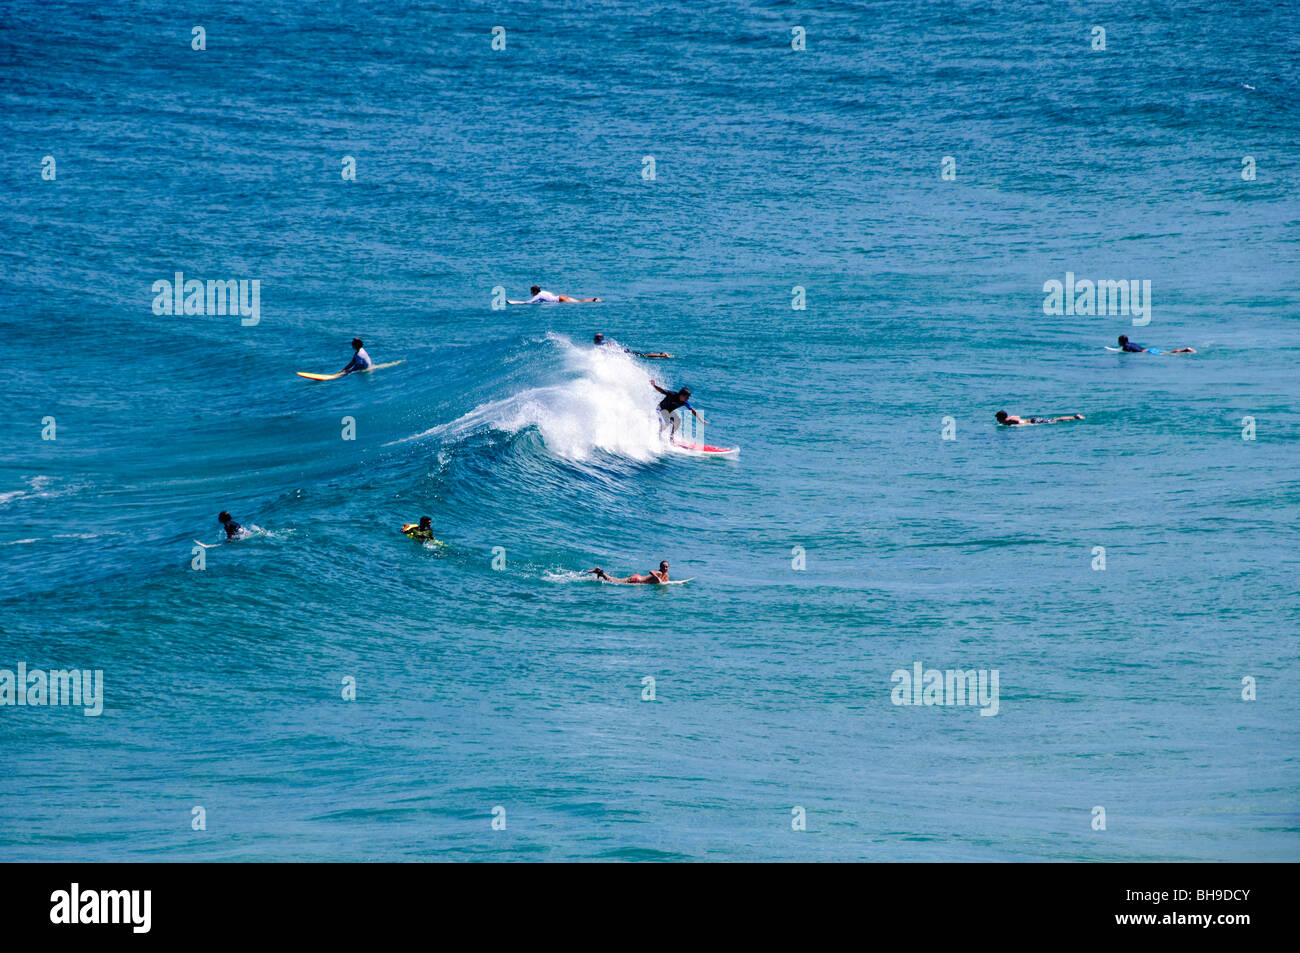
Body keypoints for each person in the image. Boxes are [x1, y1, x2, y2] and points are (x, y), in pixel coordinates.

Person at [594, 333, 671, 359]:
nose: (593, 339)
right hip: (624, 351)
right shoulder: (602, 342)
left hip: (624, 352)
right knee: (643, 355)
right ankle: (661, 355)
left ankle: (663, 355)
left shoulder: (601, 343)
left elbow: (608, 344)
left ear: (597, 339)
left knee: (644, 356)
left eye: (595, 338)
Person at [587, 561, 671, 584]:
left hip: (638, 578)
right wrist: (657, 578)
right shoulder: (659, 573)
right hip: (636, 580)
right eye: (663, 566)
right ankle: (600, 571)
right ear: (660, 567)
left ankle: (599, 572)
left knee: (615, 580)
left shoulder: (666, 575)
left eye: (666, 566)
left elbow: (667, 583)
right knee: (613, 581)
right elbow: (651, 571)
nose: (665, 568)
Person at [510, 285, 600, 303]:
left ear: (534, 292)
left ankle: (594, 300)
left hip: (560, 299)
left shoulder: (538, 296)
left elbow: (529, 302)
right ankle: (594, 299)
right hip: (561, 296)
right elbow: (551, 296)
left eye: (531, 291)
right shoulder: (543, 292)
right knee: (579, 301)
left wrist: (519, 303)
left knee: (578, 302)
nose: (531, 293)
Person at [1116, 335, 1194, 355]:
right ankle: (1185, 350)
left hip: (1148, 352)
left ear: (1121, 341)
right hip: (1150, 349)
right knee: (1168, 352)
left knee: (1169, 354)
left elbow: (1125, 351)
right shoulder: (1131, 343)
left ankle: (1186, 350)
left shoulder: (1125, 347)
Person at [995, 410, 1084, 426]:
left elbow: (1018, 421)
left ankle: (1075, 417)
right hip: (1032, 419)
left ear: (1001, 417)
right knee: (1054, 419)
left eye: (997, 418)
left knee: (1055, 420)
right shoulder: (1009, 418)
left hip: (1033, 422)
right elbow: (1017, 416)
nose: (997, 420)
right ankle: (1074, 417)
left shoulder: (1008, 421)